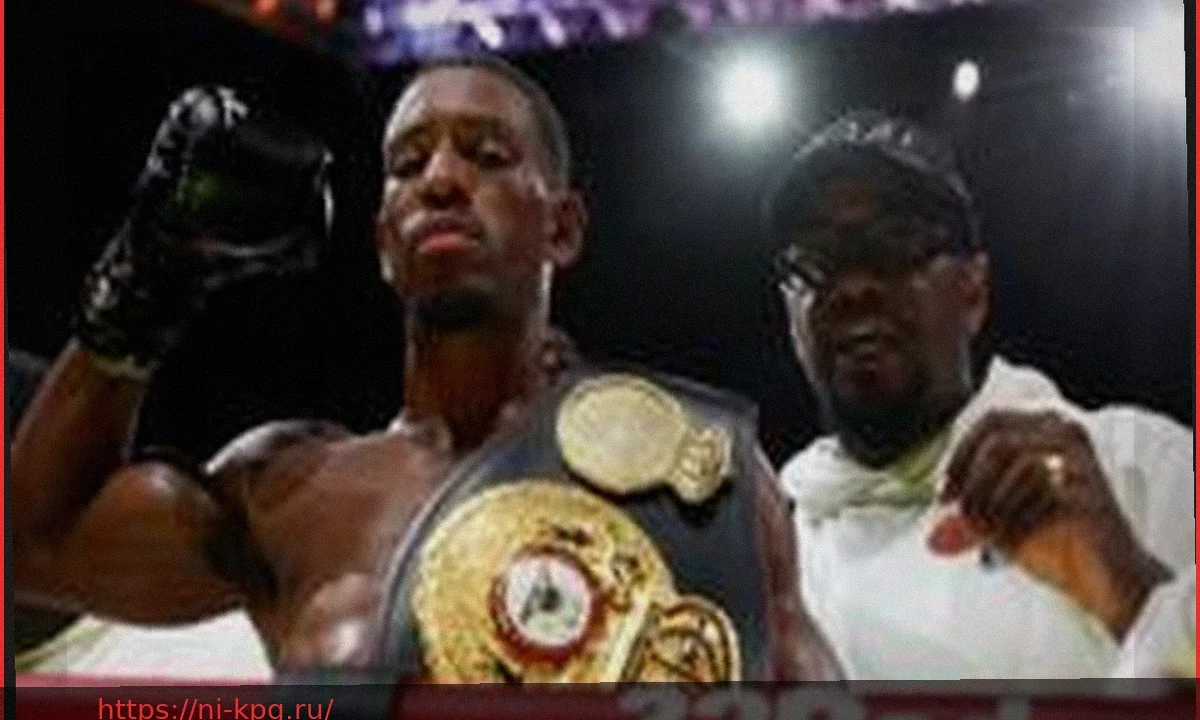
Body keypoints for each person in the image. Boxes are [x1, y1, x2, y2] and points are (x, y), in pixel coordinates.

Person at [13, 58, 839, 681]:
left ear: (562, 229)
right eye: (407, 165)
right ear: (383, 243)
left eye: (486, 154)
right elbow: (32, 547)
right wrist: (150, 274)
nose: (441, 179)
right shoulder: (290, 492)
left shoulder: (695, 468)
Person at [760, 110, 1195, 679]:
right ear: (790, 321)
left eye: (896, 243)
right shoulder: (772, 552)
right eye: (816, 260)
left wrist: (1126, 586)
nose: (855, 286)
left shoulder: (1136, 464)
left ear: (973, 291)